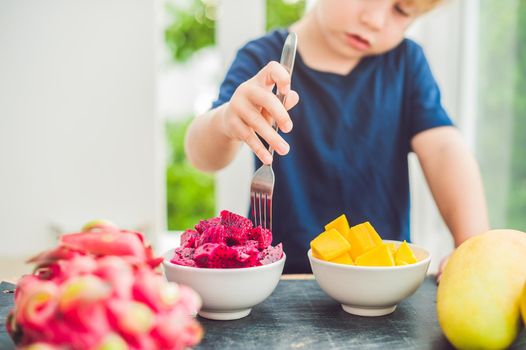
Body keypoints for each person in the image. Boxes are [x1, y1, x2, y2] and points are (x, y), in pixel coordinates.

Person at [184, 0, 489, 275]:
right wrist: (226, 121)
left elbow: (444, 151)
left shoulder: (407, 64)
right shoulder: (262, 59)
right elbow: (203, 156)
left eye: (401, 10)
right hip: (282, 281)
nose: (375, 19)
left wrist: (474, 246)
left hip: (378, 278)